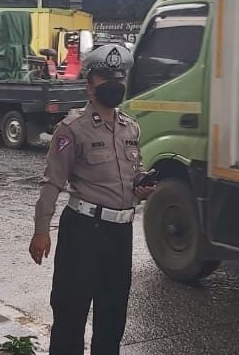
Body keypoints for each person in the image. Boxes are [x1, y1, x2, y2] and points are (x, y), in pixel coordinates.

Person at [29, 44, 156, 355]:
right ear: (89, 85)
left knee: (113, 317)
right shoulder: (71, 130)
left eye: (119, 76)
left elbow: (131, 175)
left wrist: (141, 188)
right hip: (84, 231)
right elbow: (52, 182)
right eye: (104, 77)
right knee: (71, 315)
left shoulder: (130, 128)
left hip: (120, 233)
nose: (114, 83)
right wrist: (41, 230)